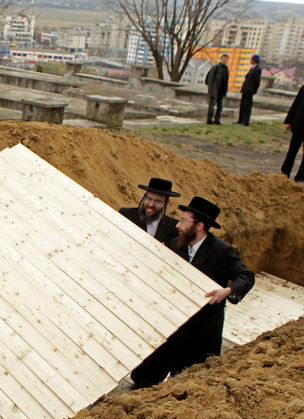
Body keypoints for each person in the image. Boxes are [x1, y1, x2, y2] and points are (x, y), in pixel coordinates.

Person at [130, 197, 254, 389]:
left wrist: (227, 290)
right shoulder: (175, 244)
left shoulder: (221, 251)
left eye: (183, 221)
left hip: (200, 331)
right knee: (144, 378)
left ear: (199, 226)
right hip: (173, 325)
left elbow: (245, 276)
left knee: (186, 385)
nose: (178, 225)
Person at [118, 177, 181, 248]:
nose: (151, 204)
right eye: (149, 199)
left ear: (166, 203)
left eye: (158, 201)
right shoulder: (127, 215)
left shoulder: (174, 228)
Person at [281, 82, 304, 183]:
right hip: (299, 125)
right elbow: (296, 104)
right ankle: (284, 173)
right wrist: (288, 121)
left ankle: (300, 177)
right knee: (292, 151)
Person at [236, 54, 261, 126]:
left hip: (249, 90)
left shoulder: (257, 69)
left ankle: (246, 120)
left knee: (247, 106)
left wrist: (253, 90)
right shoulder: (252, 68)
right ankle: (241, 119)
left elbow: (257, 81)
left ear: (254, 60)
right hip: (245, 90)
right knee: (243, 105)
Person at [205, 54, 229, 125]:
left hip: (221, 91)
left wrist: (225, 90)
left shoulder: (226, 69)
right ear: (221, 59)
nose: (224, 61)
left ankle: (217, 120)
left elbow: (226, 80)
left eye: (226, 59)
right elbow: (210, 79)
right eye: (223, 59)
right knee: (212, 105)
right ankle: (209, 119)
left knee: (220, 106)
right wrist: (211, 90)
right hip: (214, 90)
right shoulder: (216, 67)